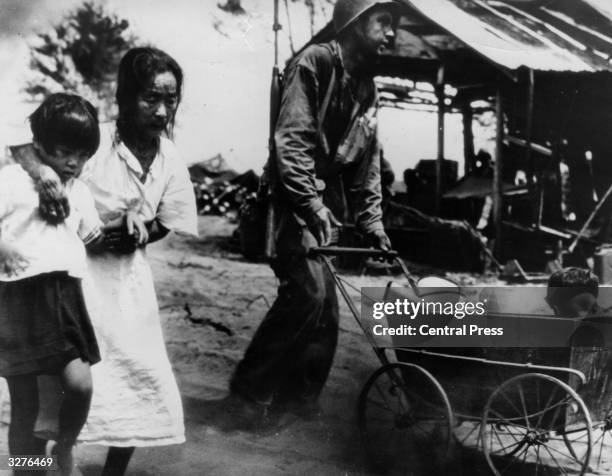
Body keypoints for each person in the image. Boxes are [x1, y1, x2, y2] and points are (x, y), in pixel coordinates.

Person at [16, 47, 197, 476]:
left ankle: (111, 472)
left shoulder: (170, 158)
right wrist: (44, 175)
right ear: (125, 96)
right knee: (53, 392)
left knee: (137, 379)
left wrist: (138, 229)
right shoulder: (92, 139)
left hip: (128, 287)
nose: (160, 110)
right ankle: (35, 466)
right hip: (74, 279)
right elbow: (26, 147)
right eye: (149, 98)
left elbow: (168, 219)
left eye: (169, 100)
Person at [230, 0, 397, 420]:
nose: (392, 33)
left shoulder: (365, 88)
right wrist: (311, 205)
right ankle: (247, 396)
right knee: (307, 293)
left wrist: (373, 222)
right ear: (355, 24)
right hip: (288, 201)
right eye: (383, 22)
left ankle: (297, 406)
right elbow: (292, 141)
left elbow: (366, 162)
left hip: (319, 208)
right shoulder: (314, 63)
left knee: (327, 309)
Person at [0, 93, 107, 476]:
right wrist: (3, 245)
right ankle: (25, 470)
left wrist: (131, 221)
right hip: (19, 301)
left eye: (82, 155)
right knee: (24, 404)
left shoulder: (78, 189)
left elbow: (94, 236)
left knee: (79, 384)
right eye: (64, 152)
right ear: (39, 145)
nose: (73, 163)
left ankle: (64, 445)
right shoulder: (11, 180)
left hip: (64, 298)